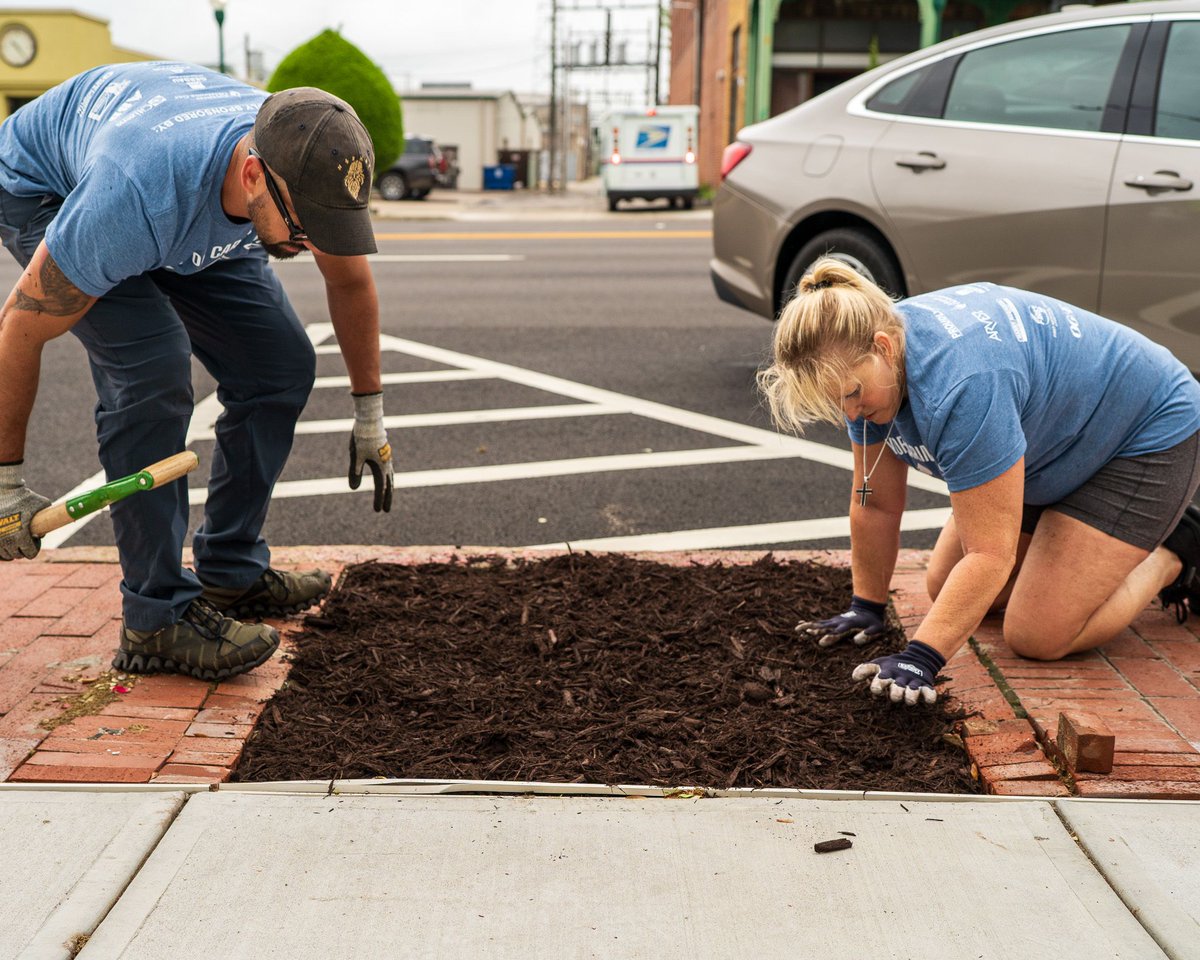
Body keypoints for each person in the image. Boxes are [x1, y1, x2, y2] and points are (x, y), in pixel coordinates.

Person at [0, 62, 395, 680]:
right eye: (303, 228)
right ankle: (155, 620)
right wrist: (5, 482)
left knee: (279, 365)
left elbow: (348, 280)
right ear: (252, 174)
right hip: (49, 187)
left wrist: (370, 413)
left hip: (184, 199)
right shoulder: (135, 193)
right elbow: (19, 331)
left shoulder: (303, 153)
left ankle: (231, 573)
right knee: (152, 373)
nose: (307, 244)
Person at [759, 258, 1200, 706]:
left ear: (884, 348)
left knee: (1036, 633)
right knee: (944, 585)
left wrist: (921, 657)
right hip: (1048, 443)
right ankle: (1072, 540)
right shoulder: (865, 364)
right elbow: (875, 502)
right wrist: (865, 606)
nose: (851, 415)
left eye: (853, 395)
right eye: (838, 403)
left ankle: (1177, 551)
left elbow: (991, 554)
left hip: (1142, 434)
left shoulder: (964, 384)